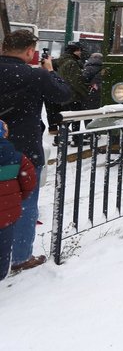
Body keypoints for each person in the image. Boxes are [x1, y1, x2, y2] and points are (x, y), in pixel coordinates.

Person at [0, 29, 73, 273]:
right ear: (30, 51)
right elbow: (64, 95)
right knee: (23, 201)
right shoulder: (36, 76)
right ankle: (20, 257)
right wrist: (51, 71)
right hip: (23, 152)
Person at [0, 119, 37, 280]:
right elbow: (29, 182)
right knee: (3, 248)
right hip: (6, 216)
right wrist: (17, 198)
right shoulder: (17, 157)